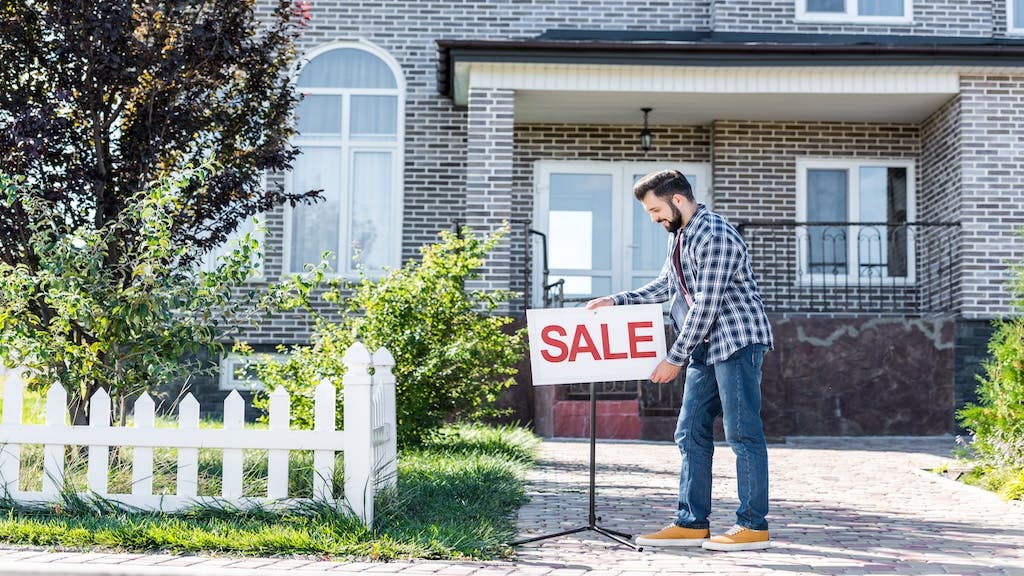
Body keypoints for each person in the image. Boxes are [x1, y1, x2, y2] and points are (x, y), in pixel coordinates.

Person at [586, 169, 774, 552]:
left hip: (737, 342)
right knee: (689, 432)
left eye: (656, 210)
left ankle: (753, 526)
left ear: (677, 199)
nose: (654, 219)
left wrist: (674, 358)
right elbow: (666, 286)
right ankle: (691, 523)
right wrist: (617, 300)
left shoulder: (714, 233)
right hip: (707, 345)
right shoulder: (682, 236)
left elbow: (706, 304)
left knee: (742, 433)